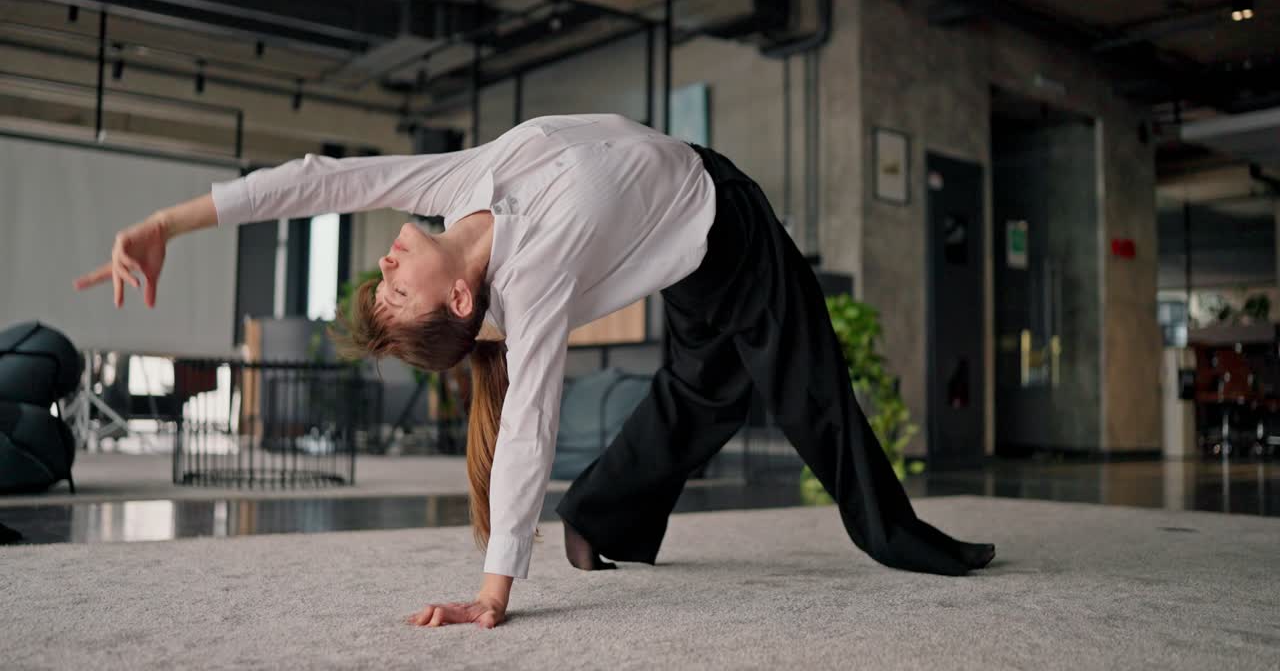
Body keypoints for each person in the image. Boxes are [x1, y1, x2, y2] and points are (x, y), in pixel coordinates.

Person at [75, 113, 994, 630]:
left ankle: (599, 515)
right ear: (463, 306)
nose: (385, 269)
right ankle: (893, 536)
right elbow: (530, 416)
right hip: (725, 225)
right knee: (808, 381)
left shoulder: (459, 186)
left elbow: (324, 179)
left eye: (381, 280)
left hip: (687, 230)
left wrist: (170, 222)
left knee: (708, 390)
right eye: (395, 295)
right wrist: (494, 585)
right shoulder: (536, 267)